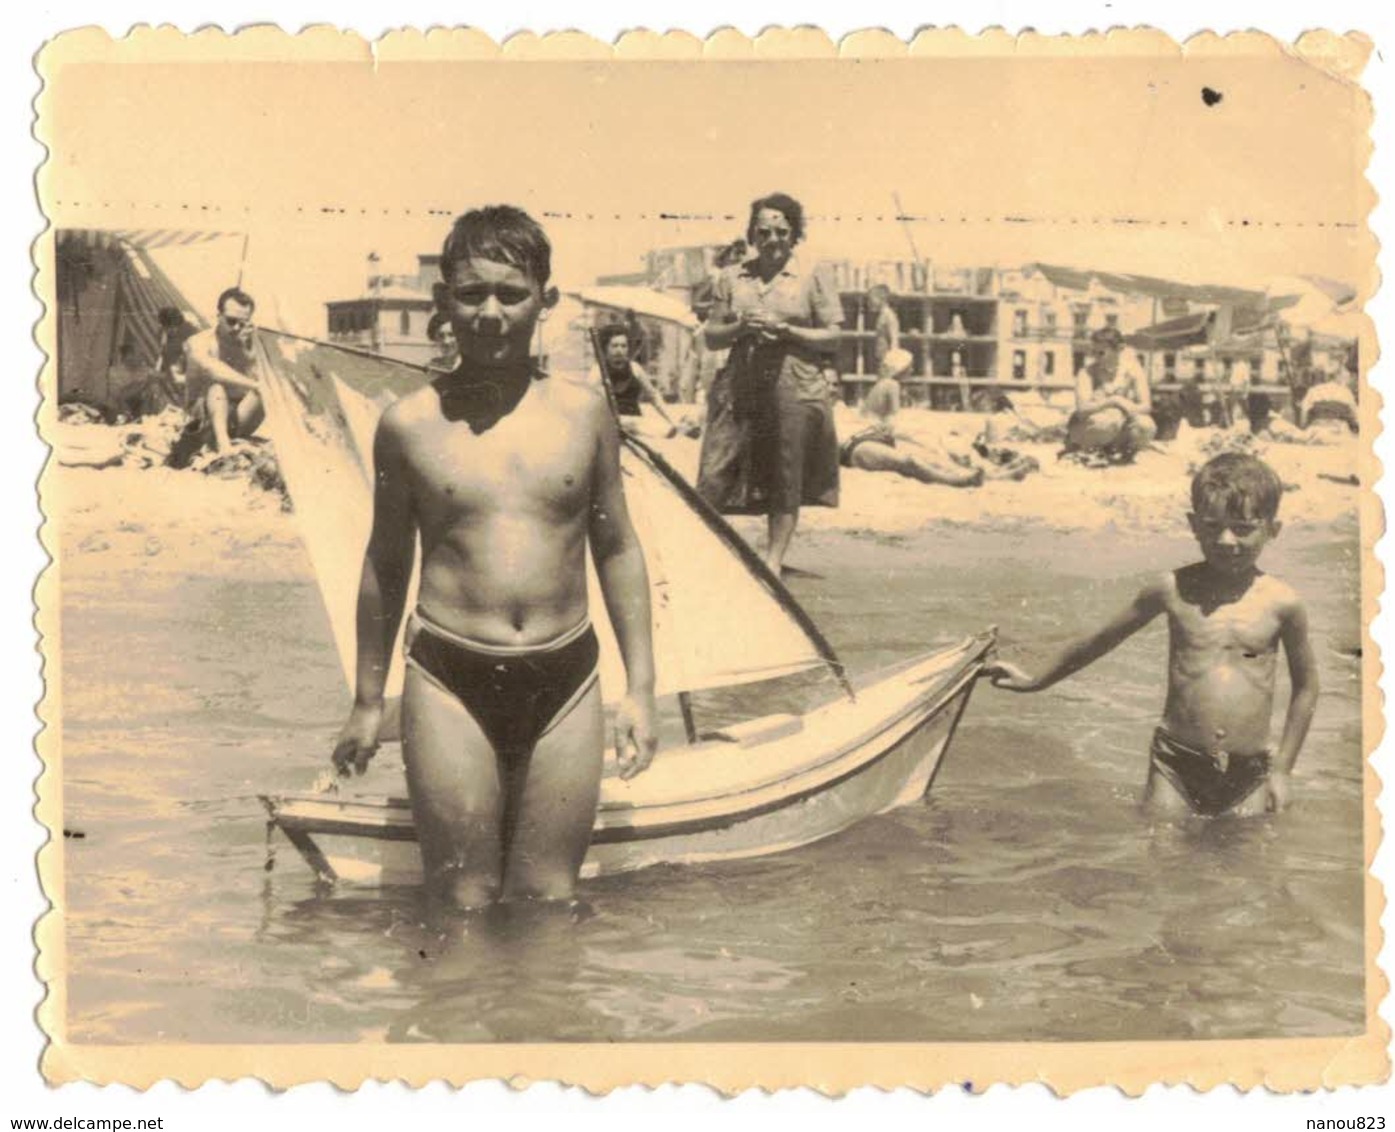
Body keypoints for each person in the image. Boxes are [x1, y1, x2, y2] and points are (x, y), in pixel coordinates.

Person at [330, 205, 659, 913]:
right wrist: (365, 702)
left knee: (548, 901)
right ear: (443, 301)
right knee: (461, 902)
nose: (489, 312)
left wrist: (640, 690)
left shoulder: (585, 415)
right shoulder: (409, 425)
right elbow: (384, 564)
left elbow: (618, 548)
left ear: (545, 298)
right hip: (450, 677)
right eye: (471, 292)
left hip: (566, 676)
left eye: (510, 294)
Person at [985, 452, 1318, 817]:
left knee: (1242, 866)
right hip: (1175, 763)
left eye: (1242, 527)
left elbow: (1306, 687)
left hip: (1249, 769)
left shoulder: (1283, 603)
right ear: (1193, 524)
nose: (1225, 540)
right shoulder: (1172, 588)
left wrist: (1283, 770)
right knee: (1162, 856)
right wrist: (1036, 680)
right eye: (1211, 526)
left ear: (1273, 529)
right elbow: (1100, 641)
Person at [696, 192, 843, 575]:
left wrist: (788, 331)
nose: (772, 239)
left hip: (795, 383)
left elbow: (834, 336)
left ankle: (773, 560)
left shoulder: (814, 275)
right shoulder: (732, 277)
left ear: (794, 234)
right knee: (715, 471)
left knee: (785, 472)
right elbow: (711, 335)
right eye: (764, 232)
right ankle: (709, 553)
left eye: (781, 231)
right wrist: (740, 326)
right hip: (740, 383)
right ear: (752, 234)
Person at [839, 348, 981, 487]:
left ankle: (957, 471)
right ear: (901, 367)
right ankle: (956, 472)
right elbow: (892, 422)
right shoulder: (892, 385)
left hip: (868, 433)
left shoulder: (883, 383)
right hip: (874, 434)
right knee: (927, 445)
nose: (912, 370)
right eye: (910, 367)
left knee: (924, 444)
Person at [168, 286, 265, 466]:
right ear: (218, 316)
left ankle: (229, 440)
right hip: (202, 420)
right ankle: (223, 446)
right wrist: (255, 384)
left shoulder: (247, 343)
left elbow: (265, 378)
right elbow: (213, 370)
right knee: (216, 388)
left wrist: (249, 351)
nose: (237, 328)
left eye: (243, 323)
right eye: (231, 321)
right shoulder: (198, 342)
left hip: (237, 419)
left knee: (265, 391)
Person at [1063, 327, 1157, 463]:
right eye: (1093, 352)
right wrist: (1113, 401)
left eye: (1101, 353)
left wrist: (1124, 407)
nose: (1096, 357)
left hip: (1119, 425)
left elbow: (1146, 406)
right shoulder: (1087, 373)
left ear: (1119, 349)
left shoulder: (1133, 370)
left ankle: (1126, 453)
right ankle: (1090, 450)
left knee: (1146, 424)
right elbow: (1082, 410)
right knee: (1107, 422)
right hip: (1090, 428)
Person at [588, 323, 679, 438]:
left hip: (635, 422)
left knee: (665, 430)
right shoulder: (597, 371)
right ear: (606, 348)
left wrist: (672, 420)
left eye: (623, 346)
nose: (619, 350)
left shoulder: (635, 368)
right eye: (614, 346)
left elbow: (654, 397)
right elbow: (588, 403)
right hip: (609, 425)